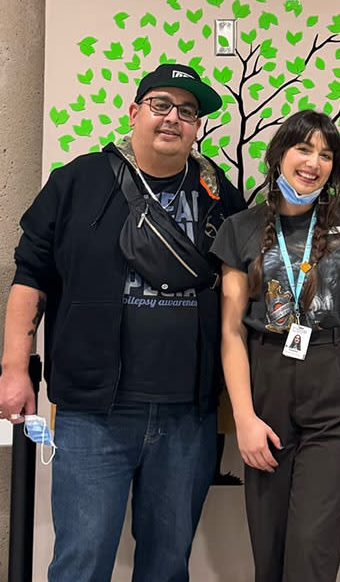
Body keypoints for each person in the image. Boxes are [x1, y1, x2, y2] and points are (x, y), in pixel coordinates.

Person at [0, 63, 245, 581]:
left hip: (187, 416)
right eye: (161, 105)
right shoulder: (77, 181)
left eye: (187, 111)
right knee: (81, 563)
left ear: (196, 125)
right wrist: (15, 369)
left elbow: (237, 284)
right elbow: (30, 276)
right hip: (94, 414)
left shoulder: (217, 191)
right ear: (134, 112)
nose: (173, 118)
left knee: (166, 565)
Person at [211, 109, 340, 582]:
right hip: (266, 377)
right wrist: (244, 418)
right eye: (303, 148)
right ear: (279, 154)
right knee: (269, 539)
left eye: (326, 155)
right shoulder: (240, 227)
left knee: (313, 544)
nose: (313, 162)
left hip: (338, 374)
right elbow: (231, 331)